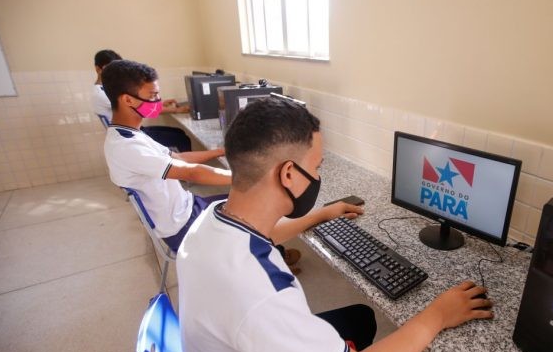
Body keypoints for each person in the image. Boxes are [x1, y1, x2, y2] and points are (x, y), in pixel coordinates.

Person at [177, 96, 493, 352]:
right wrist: (438, 315)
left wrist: (322, 214)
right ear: (287, 174)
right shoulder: (260, 291)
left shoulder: (210, 220)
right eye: (315, 168)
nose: (316, 176)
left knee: (362, 317)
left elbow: (264, 231)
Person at [101, 59, 360, 263]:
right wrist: (253, 175)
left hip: (186, 207)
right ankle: (268, 249)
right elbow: (190, 172)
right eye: (153, 95)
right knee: (256, 208)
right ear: (127, 99)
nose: (158, 102)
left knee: (251, 204)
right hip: (181, 226)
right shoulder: (127, 148)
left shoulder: (130, 136)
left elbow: (178, 158)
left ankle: (271, 248)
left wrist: (218, 151)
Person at [93, 49, 193, 153]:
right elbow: (142, 107)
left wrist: (161, 104)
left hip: (134, 130)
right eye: (109, 68)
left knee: (179, 133)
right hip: (128, 134)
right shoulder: (102, 94)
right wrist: (176, 110)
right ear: (98, 69)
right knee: (181, 140)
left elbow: (139, 103)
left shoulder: (104, 90)